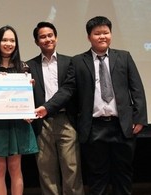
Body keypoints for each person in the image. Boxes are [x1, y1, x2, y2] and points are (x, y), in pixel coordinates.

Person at [35, 16, 148, 195]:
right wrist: (48, 107)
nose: (102, 36)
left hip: (122, 126)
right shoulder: (79, 61)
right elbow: (67, 90)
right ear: (89, 37)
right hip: (94, 128)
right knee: (97, 177)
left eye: (106, 32)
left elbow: (137, 90)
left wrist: (140, 118)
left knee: (123, 175)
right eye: (97, 33)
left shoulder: (124, 57)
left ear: (111, 34)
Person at [0, 25, 38, 195]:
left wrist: (29, 89)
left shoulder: (24, 67)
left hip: (17, 124)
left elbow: (28, 98)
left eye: (12, 40)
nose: (8, 43)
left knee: (15, 168)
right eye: (4, 40)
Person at [26, 22, 84, 195]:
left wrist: (47, 107)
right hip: (41, 124)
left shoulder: (70, 62)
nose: (47, 39)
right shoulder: (28, 66)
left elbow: (69, 90)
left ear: (56, 37)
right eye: (42, 37)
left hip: (66, 120)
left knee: (71, 169)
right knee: (46, 171)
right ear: (37, 42)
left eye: (50, 35)